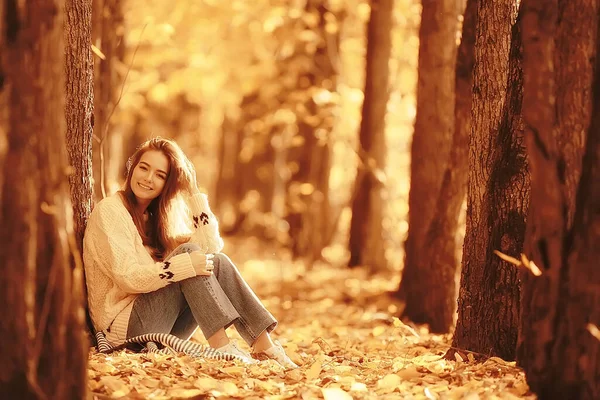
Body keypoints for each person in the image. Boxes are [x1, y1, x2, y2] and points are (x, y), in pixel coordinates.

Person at [83, 137, 297, 369]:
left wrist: (194, 192)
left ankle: (264, 347)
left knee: (217, 262)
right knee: (188, 255)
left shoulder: (155, 219)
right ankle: (222, 348)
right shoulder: (110, 211)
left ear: (168, 184)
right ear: (132, 168)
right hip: (122, 332)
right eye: (143, 168)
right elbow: (129, 278)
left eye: (160, 174)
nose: (148, 178)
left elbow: (211, 248)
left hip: (159, 328)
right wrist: (183, 265)